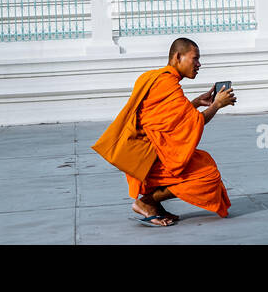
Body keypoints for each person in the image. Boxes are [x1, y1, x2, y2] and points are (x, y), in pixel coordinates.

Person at [91, 37, 236, 227]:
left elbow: (171, 120)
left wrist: (196, 102)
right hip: (148, 158)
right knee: (207, 173)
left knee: (203, 160)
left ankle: (154, 204)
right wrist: (217, 105)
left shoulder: (153, 77)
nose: (199, 64)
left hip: (139, 152)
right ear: (178, 56)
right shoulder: (167, 84)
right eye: (195, 58)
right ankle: (147, 202)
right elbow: (193, 123)